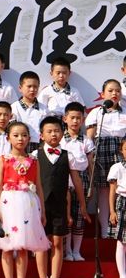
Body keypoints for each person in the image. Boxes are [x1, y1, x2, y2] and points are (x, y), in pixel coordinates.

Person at [0, 121, 50, 278]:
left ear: (29, 138)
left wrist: (42, 211)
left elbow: (38, 186)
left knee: (22, 247)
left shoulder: (33, 161)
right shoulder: (4, 159)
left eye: (24, 135)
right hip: (8, 203)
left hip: (28, 204)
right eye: (16, 135)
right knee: (7, 246)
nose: (20, 139)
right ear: (8, 138)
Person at [33, 116, 89, 278]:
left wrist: (82, 204)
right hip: (40, 205)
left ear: (62, 133)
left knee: (58, 242)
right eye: (49, 131)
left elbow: (76, 181)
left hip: (60, 205)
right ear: (41, 135)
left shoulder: (68, 155)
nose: (53, 134)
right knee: (41, 243)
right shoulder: (34, 155)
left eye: (57, 131)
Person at [85, 79, 126, 239]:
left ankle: (119, 227)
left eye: (117, 90)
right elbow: (90, 137)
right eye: (110, 90)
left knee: (121, 189)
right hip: (102, 149)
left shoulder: (125, 111)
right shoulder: (97, 112)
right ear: (102, 94)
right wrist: (91, 155)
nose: (114, 93)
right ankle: (104, 230)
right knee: (104, 190)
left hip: (122, 149)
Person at [61, 102, 94, 261]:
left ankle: (76, 251)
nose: (75, 121)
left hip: (83, 179)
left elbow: (91, 163)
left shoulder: (86, 141)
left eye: (78, 118)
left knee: (80, 215)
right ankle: (67, 251)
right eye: (72, 117)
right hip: (65, 179)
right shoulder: (60, 139)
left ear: (83, 120)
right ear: (65, 119)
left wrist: (91, 184)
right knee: (67, 217)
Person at [11, 71, 47, 153]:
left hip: (39, 146)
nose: (32, 89)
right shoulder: (14, 108)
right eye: (29, 86)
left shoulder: (44, 109)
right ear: (20, 88)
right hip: (19, 146)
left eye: (35, 87)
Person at [108, 138, 126, 278]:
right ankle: (123, 276)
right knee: (121, 241)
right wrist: (112, 211)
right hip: (123, 202)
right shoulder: (117, 167)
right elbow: (112, 191)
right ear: (121, 150)